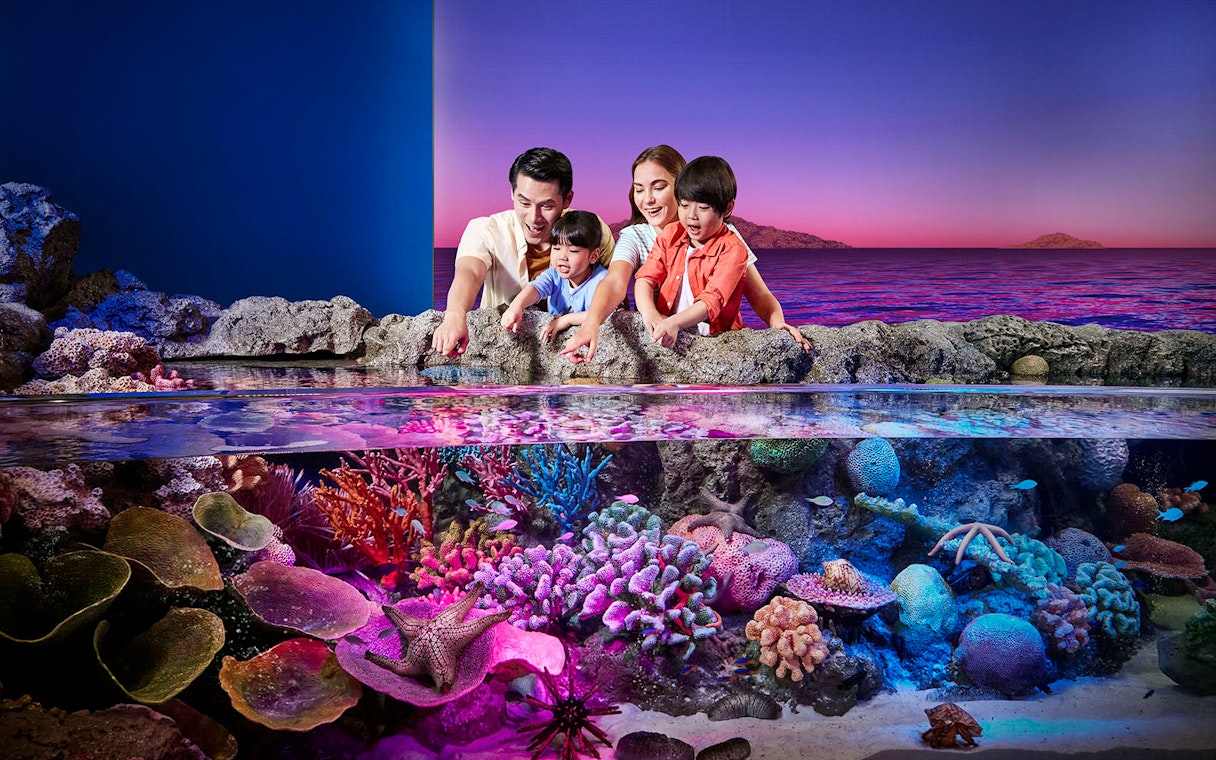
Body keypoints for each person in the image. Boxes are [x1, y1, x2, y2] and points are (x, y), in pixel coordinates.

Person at [560, 145, 809, 362]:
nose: (648, 200)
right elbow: (616, 282)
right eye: (639, 189)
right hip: (665, 336)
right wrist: (592, 325)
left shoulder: (729, 240)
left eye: (658, 188)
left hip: (716, 335)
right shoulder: (637, 236)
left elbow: (758, 294)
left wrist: (778, 325)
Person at [432, 147, 615, 357]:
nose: (533, 217)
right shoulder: (485, 229)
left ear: (567, 199)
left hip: (574, 349)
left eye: (546, 206)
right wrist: (455, 316)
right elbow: (469, 273)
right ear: (512, 193)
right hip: (504, 349)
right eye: (524, 203)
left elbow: (613, 285)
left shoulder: (591, 229)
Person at [634, 156, 749, 348]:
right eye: (684, 205)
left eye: (703, 208)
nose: (691, 216)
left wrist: (674, 322)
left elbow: (711, 301)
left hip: (716, 340)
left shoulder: (733, 249)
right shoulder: (671, 234)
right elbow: (645, 278)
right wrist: (650, 314)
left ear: (727, 207)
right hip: (671, 333)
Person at [500, 210, 610, 342]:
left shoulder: (602, 280)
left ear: (593, 256)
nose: (562, 257)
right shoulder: (554, 274)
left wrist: (567, 320)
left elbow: (606, 314)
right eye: (556, 248)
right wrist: (516, 306)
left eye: (573, 251)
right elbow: (536, 288)